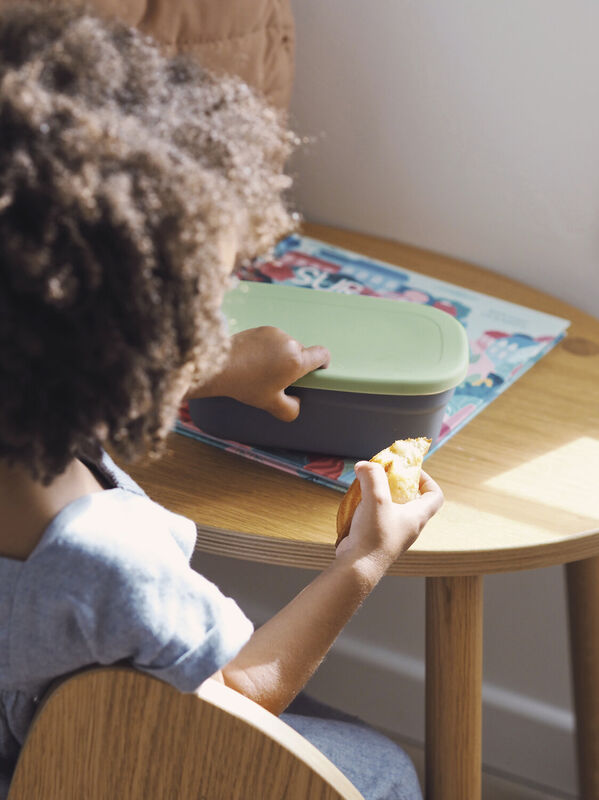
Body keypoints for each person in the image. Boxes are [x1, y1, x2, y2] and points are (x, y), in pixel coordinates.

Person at [0, 5, 444, 799]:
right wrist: (363, 561)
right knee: (382, 770)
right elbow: (236, 699)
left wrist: (205, 368)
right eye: (198, 317)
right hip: (89, 768)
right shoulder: (106, 566)